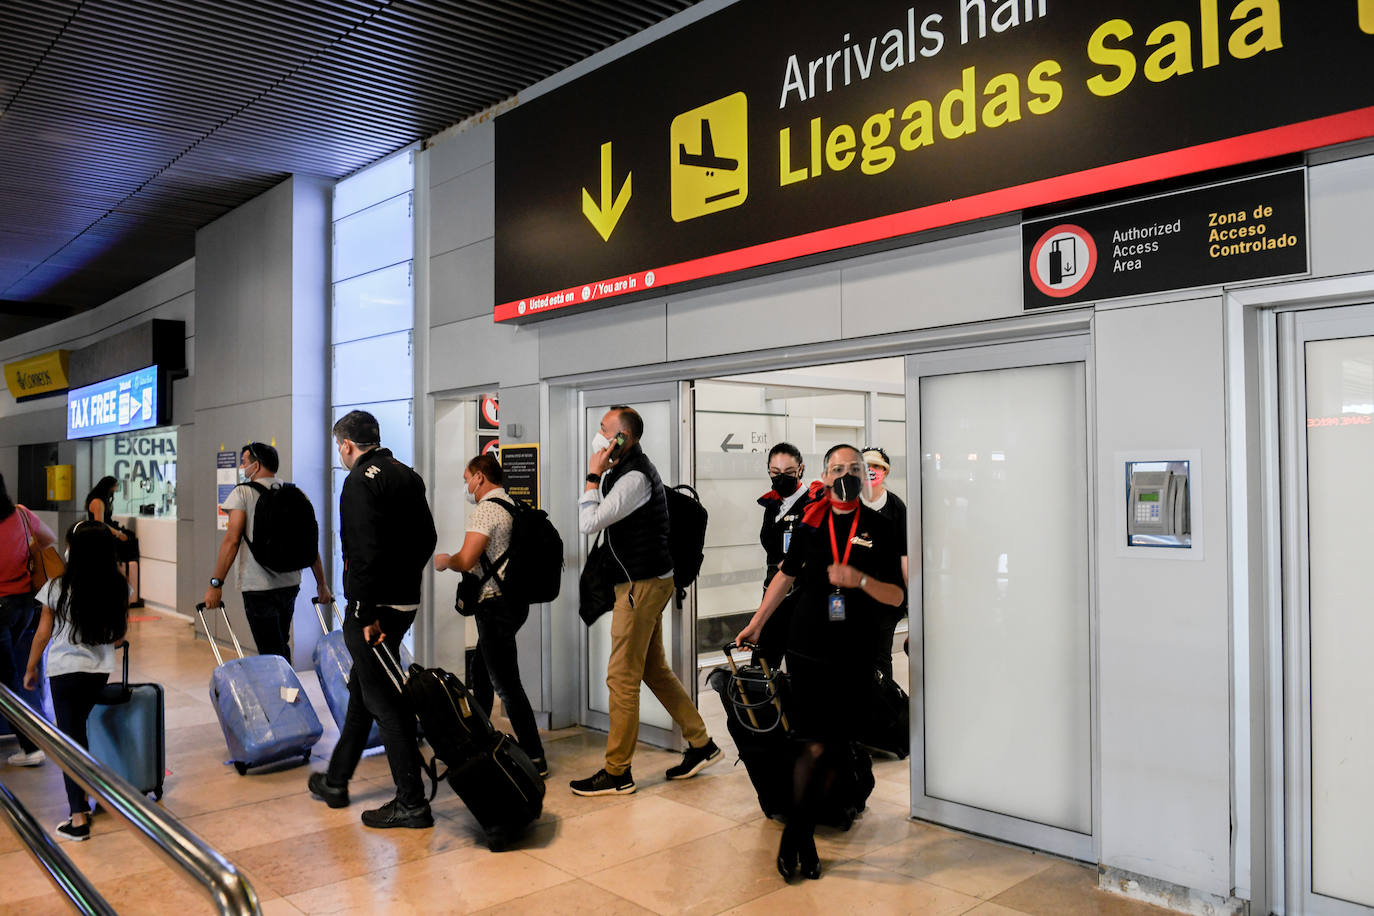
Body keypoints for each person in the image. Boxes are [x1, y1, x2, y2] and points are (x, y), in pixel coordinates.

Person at [737, 444, 905, 881]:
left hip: (855, 651)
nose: (845, 475)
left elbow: (898, 595)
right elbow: (785, 575)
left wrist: (861, 579)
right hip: (808, 645)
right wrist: (757, 623)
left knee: (837, 746)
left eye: (854, 469)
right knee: (812, 742)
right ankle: (799, 833)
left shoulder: (882, 527)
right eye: (837, 469)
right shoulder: (811, 523)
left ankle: (798, 828)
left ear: (866, 475)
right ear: (825, 476)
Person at [572, 405, 720, 796]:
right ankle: (702, 743)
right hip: (645, 581)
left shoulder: (634, 477)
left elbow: (588, 524)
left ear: (623, 437)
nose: (598, 435)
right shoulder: (627, 469)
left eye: (604, 429)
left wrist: (592, 474)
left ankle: (617, 772)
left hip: (641, 586)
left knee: (621, 675)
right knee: (653, 669)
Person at [308, 410, 438, 829]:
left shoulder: (359, 482)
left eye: (339, 448)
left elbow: (360, 551)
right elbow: (428, 539)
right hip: (403, 602)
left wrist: (364, 610)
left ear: (347, 445)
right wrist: (403, 582)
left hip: (372, 612)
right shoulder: (406, 475)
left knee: (383, 700)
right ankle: (336, 779)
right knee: (364, 688)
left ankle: (412, 802)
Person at [433, 453, 547, 777]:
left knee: (506, 685)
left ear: (480, 477)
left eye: (467, 478)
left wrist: (446, 560)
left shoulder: (484, 511)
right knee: (481, 674)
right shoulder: (511, 505)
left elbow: (467, 559)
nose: (467, 485)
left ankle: (535, 757)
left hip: (494, 607)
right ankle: (477, 742)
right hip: (513, 603)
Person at [23, 521, 129, 841]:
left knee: (70, 741)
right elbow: (119, 633)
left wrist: (30, 669)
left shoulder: (57, 587)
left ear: (75, 551)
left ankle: (78, 818)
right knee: (83, 733)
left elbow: (43, 634)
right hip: (98, 670)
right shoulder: (117, 585)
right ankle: (87, 798)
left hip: (64, 672)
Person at [203, 442, 331, 663]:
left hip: (258, 586)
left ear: (257, 464)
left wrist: (216, 583)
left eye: (244, 462)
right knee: (280, 643)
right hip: (290, 582)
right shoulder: (295, 492)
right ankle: (289, 693)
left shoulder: (242, 493)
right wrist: (322, 583)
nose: (242, 467)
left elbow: (231, 541)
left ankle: (284, 694)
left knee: (271, 652)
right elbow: (309, 543)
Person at [0, 475, 57, 767]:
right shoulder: (21, 514)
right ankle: (39, 734)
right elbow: (49, 539)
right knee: (25, 672)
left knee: (9, 680)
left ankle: (30, 746)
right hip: (25, 605)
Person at [753, 442, 819, 669]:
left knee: (799, 663)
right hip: (773, 591)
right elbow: (770, 544)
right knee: (762, 661)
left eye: (789, 473)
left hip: (803, 595)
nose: (781, 478)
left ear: (800, 469)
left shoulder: (813, 503)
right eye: (775, 473)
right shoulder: (772, 504)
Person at [860, 447, 910, 680]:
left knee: (881, 657)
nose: (871, 471)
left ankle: (884, 711)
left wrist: (911, 602)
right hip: (854, 598)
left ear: (885, 472)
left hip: (887, 599)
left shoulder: (897, 509)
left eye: (876, 467)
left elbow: (905, 557)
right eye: (865, 466)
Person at [83, 477, 139, 607]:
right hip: (100, 537)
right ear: (109, 487)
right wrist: (118, 534)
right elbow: (101, 524)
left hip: (102, 534)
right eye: (116, 486)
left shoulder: (100, 500)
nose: (117, 489)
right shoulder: (98, 502)